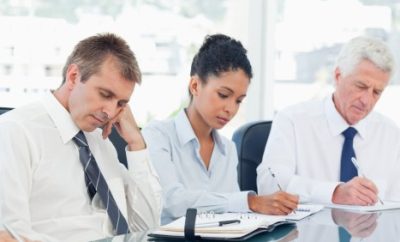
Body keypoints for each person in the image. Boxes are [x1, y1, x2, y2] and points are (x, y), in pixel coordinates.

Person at [0, 33, 162, 242]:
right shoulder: (15, 132)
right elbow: (8, 234)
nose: (111, 112)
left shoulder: (101, 141)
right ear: (74, 76)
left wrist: (136, 143)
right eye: (105, 94)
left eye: (121, 103)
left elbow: (146, 228)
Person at [142, 34, 298, 225]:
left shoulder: (228, 149)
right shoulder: (158, 136)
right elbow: (170, 201)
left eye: (239, 101)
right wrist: (250, 202)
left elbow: (233, 216)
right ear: (195, 85)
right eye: (224, 95)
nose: (231, 109)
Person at [257, 36, 400, 205]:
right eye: (361, 86)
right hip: (303, 231)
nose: (367, 100)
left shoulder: (391, 135)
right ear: (338, 76)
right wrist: (334, 193)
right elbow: (270, 185)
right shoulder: (293, 120)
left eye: (377, 92)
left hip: (369, 231)